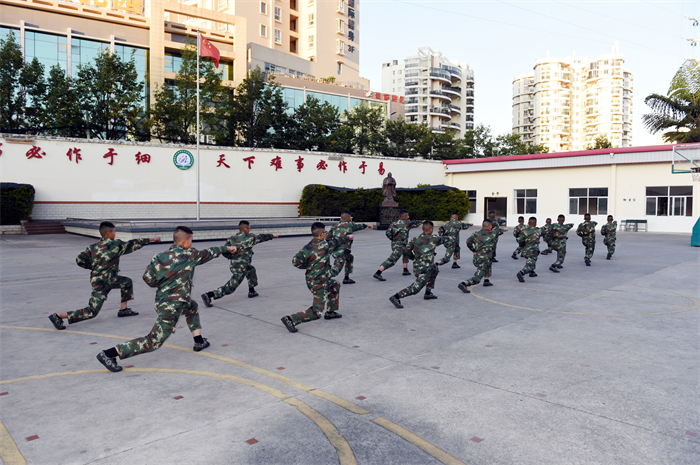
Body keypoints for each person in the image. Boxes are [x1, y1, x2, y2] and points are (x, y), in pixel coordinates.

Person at [95, 226, 236, 372]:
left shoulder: (159, 257)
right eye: (191, 240)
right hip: (172, 307)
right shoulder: (190, 255)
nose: (191, 243)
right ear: (185, 241)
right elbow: (210, 252)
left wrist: (163, 284)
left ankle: (199, 341)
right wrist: (227, 248)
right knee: (153, 341)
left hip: (164, 301)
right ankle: (109, 354)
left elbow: (148, 278)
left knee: (192, 306)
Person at [48, 222, 160, 331]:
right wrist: (152, 239)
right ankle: (59, 316)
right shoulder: (115, 245)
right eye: (114, 232)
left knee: (126, 282)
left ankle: (123, 310)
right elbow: (133, 243)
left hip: (101, 280)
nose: (115, 234)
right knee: (92, 311)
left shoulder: (92, 247)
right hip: (105, 282)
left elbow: (79, 260)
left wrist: (94, 268)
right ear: (108, 234)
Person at [281, 222, 353, 333]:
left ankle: (330, 312)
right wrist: (348, 237)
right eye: (325, 232)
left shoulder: (307, 247)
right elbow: (336, 241)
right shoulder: (324, 246)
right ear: (321, 234)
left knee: (335, 284)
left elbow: (295, 262)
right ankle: (291, 319)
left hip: (312, 279)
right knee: (317, 313)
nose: (326, 234)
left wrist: (309, 266)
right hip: (319, 283)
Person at [201, 221, 278, 307]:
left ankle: (252, 291)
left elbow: (225, 251)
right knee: (231, 287)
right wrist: (272, 235)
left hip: (236, 265)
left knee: (251, 270)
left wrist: (232, 257)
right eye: (249, 228)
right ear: (245, 229)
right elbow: (262, 237)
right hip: (240, 268)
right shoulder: (250, 237)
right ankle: (209, 295)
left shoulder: (232, 238)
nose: (249, 230)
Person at [389, 221, 450, 308]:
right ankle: (396, 296)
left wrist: (413, 258)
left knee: (434, 269)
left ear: (422, 229)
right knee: (416, 288)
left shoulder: (415, 239)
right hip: (424, 270)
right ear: (431, 229)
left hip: (419, 267)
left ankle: (428, 293)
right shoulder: (434, 239)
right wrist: (450, 237)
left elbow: (406, 250)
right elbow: (445, 238)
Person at [373, 209, 423, 281]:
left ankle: (405, 270)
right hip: (400, 246)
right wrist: (422, 221)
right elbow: (415, 223)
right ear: (405, 216)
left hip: (395, 244)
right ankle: (378, 273)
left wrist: (393, 239)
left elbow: (387, 233)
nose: (408, 217)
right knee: (392, 260)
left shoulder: (393, 223)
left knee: (406, 253)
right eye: (408, 216)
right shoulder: (407, 223)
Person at [327, 211, 372, 284]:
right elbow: (360, 226)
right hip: (342, 252)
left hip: (336, 251)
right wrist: (367, 225)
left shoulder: (334, 226)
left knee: (350, 258)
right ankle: (322, 279)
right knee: (336, 270)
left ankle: (346, 278)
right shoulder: (350, 225)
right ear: (348, 218)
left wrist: (333, 245)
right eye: (350, 218)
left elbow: (327, 238)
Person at [457, 219, 496, 293]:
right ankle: (464, 283)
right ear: (490, 227)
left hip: (476, 258)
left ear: (482, 226)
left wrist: (473, 249)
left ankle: (486, 280)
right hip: (484, 260)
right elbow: (498, 233)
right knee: (477, 279)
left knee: (489, 263)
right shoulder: (493, 234)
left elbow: (468, 241)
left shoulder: (475, 234)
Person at [516, 217, 541, 282]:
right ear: (535, 224)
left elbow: (520, 241)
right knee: (530, 264)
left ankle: (532, 272)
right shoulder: (538, 230)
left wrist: (522, 246)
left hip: (525, 251)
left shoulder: (523, 231)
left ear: (528, 223)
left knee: (531, 261)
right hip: (533, 251)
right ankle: (521, 272)